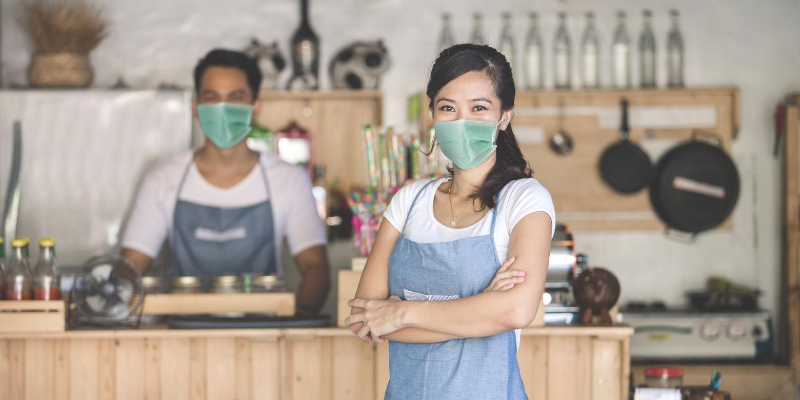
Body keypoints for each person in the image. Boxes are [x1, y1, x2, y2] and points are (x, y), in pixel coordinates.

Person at [344, 44, 555, 399]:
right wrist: (482, 308)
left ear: (504, 117)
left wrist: (401, 313)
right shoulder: (409, 201)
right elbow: (366, 319)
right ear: (432, 116)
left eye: (478, 108)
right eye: (447, 108)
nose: (461, 121)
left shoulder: (524, 199)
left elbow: (516, 310)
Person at [122, 49, 329, 315]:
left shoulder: (288, 180)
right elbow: (131, 266)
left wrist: (300, 316)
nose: (222, 109)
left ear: (256, 106)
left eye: (235, 97)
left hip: (265, 335)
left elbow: (315, 267)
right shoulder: (163, 178)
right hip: (183, 335)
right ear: (196, 107)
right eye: (212, 97)